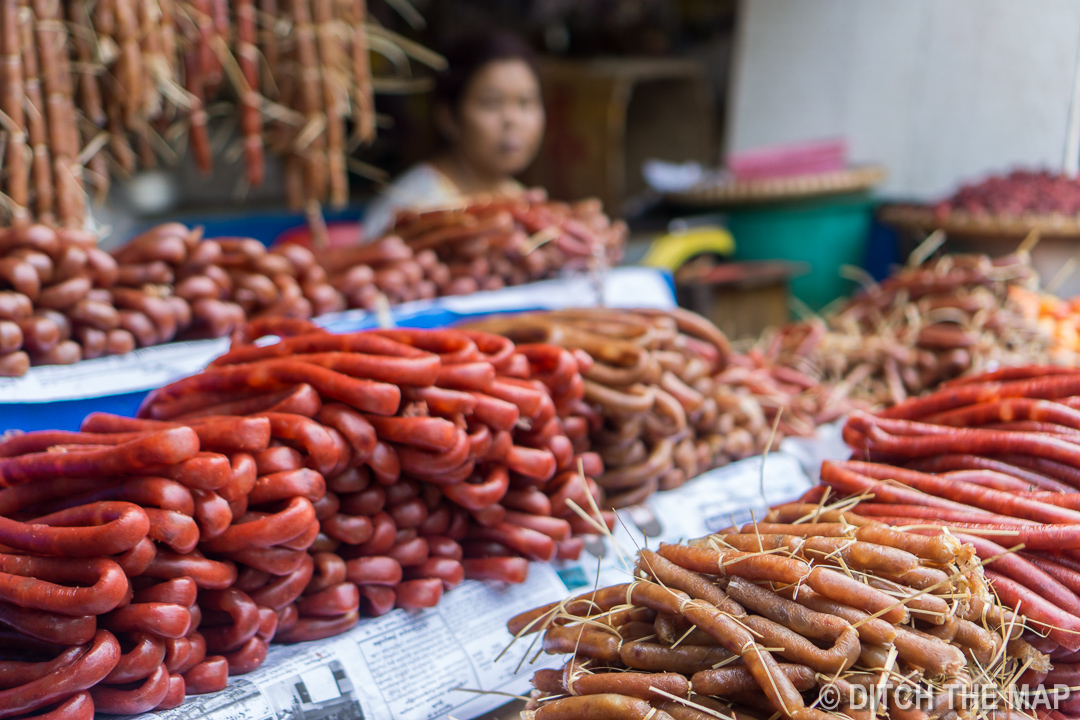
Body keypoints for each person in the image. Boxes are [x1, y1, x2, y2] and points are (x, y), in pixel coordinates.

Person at [361, 29, 546, 239]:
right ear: (448, 117)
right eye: (491, 103)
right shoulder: (414, 204)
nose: (513, 120)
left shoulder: (523, 201)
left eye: (526, 103)